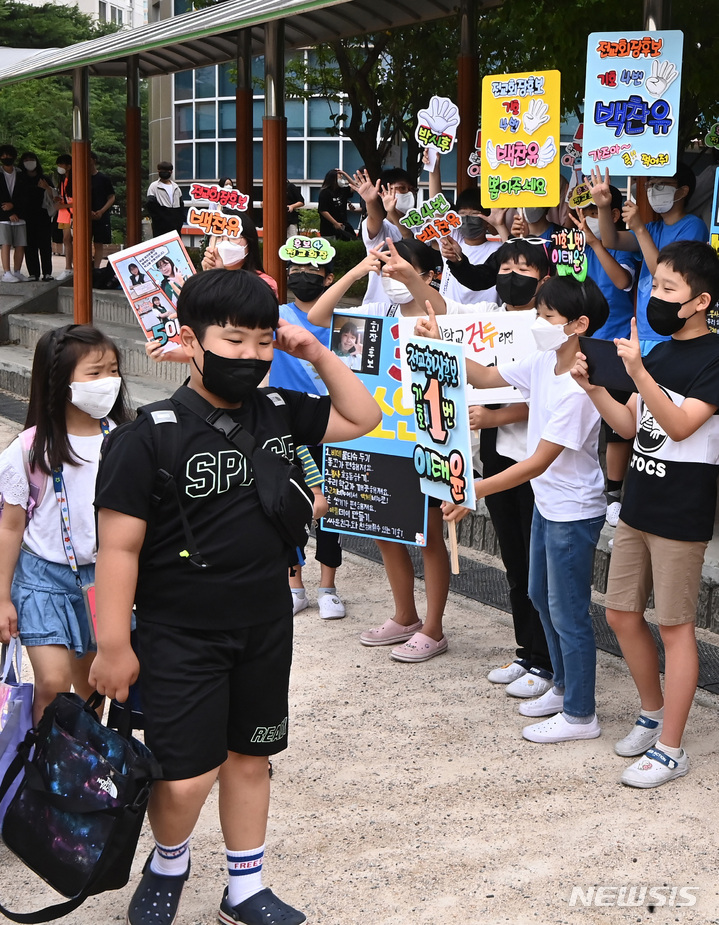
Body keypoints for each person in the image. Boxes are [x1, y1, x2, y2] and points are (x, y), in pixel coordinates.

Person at [89, 268, 381, 925]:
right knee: (185, 772)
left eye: (261, 341)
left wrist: (312, 349)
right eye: (233, 339)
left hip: (264, 622)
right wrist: (112, 643)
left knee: (251, 758)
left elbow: (364, 415)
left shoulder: (280, 410)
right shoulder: (146, 436)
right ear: (190, 340)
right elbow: (118, 550)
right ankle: (168, 860)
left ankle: (244, 887)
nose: (250, 355)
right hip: (177, 632)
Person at [434, 274, 609, 742]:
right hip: (549, 505)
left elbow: (537, 461)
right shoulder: (543, 360)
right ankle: (561, 684)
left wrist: (476, 488)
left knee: (568, 612)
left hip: (573, 510)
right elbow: (489, 376)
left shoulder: (580, 389)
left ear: (578, 324)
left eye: (548, 316)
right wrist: (441, 345)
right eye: (539, 313)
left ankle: (581, 714)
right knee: (540, 597)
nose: (538, 322)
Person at [571, 241, 719, 788]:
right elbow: (632, 427)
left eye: (667, 289)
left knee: (676, 627)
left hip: (682, 510)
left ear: (700, 301)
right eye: (654, 286)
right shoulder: (655, 354)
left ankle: (672, 748)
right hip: (637, 506)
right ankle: (652, 712)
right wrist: (591, 388)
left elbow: (681, 426)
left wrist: (637, 371)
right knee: (620, 615)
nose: (655, 297)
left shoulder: (713, 358)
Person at [308, 243, 453, 663]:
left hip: (426, 441)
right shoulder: (377, 316)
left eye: (401, 271)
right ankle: (405, 615)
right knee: (385, 530)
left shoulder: (438, 316)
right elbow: (317, 318)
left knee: (428, 537)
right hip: (377, 440)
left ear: (428, 275)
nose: (392, 279)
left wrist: (408, 275)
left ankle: (434, 627)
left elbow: (442, 314)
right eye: (386, 272)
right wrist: (357, 272)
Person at [0, 324, 130, 723]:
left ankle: (82, 770)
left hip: (103, 579)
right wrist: (2, 596)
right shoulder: (28, 450)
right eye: (95, 373)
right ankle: (45, 772)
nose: (108, 381)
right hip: (42, 581)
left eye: (113, 370)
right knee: (53, 684)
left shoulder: (127, 440)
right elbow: (10, 526)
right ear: (59, 382)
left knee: (94, 687)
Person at [271, 259, 348, 619]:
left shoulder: (345, 320)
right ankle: (294, 586)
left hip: (333, 421)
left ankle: (328, 588)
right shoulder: (277, 314)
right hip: (287, 421)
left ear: (328, 279)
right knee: (290, 506)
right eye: (294, 270)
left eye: (311, 271)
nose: (301, 276)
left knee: (332, 509)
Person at [570, 185, 639, 528]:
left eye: (595, 211)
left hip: (617, 345)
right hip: (584, 341)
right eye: (585, 212)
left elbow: (623, 281)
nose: (589, 219)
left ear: (613, 215)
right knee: (583, 416)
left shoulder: (621, 245)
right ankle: (588, 484)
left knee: (616, 425)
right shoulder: (578, 247)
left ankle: (613, 494)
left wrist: (597, 244)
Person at [590, 164, 709, 356]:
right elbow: (611, 240)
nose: (654, 190)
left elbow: (663, 275)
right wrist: (603, 207)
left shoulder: (693, 226)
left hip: (672, 330)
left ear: (683, 191)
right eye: (651, 184)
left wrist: (639, 229)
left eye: (661, 184)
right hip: (645, 330)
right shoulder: (653, 228)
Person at [348, 167, 416, 307]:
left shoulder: (419, 227)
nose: (408, 193)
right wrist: (371, 201)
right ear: (384, 191)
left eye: (412, 189)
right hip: (379, 306)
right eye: (401, 188)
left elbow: (408, 236)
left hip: (412, 307)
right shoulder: (379, 226)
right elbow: (375, 217)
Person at [202, 211, 278, 296]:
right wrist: (208, 278)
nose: (225, 243)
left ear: (249, 242)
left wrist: (219, 277)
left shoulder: (264, 283)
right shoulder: (201, 281)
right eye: (219, 236)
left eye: (234, 237)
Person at [19, 151, 55, 281]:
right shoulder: (20, 179)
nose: (29, 161)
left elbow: (55, 197)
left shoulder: (44, 178)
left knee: (45, 245)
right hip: (26, 216)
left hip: (43, 216)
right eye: (26, 159)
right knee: (29, 246)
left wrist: (46, 187)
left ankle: (47, 272)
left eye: (32, 159)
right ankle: (33, 273)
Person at [0, 144, 29, 283]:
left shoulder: (21, 174)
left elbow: (25, 196)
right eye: (3, 155)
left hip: (20, 214)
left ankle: (17, 271)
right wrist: (9, 212)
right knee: (5, 243)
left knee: (20, 243)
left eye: (9, 155)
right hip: (3, 216)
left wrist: (14, 207)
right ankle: (6, 272)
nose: (6, 158)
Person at [146, 161, 186, 237]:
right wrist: (160, 217)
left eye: (167, 171)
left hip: (175, 224)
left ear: (171, 172)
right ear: (158, 171)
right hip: (160, 224)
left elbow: (181, 205)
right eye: (162, 171)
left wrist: (180, 219)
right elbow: (151, 204)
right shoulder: (154, 186)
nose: (165, 173)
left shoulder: (176, 187)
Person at [89, 151, 115, 268]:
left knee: (99, 243)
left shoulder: (103, 178)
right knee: (84, 243)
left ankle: (96, 268)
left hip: (101, 214)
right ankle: (85, 267)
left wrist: (101, 211)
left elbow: (111, 197)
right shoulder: (80, 178)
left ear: (94, 160)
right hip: (85, 215)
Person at [317, 169, 356, 240]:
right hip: (329, 229)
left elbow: (354, 186)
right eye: (339, 177)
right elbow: (323, 210)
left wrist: (344, 173)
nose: (341, 179)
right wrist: (335, 223)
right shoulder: (325, 192)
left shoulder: (342, 190)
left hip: (343, 226)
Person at [54, 154, 73, 281]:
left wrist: (62, 205)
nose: (59, 167)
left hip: (73, 213)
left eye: (62, 164)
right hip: (64, 214)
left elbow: (79, 201)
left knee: (73, 241)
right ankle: (68, 267)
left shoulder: (75, 180)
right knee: (67, 240)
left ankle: (73, 267)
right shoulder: (62, 180)